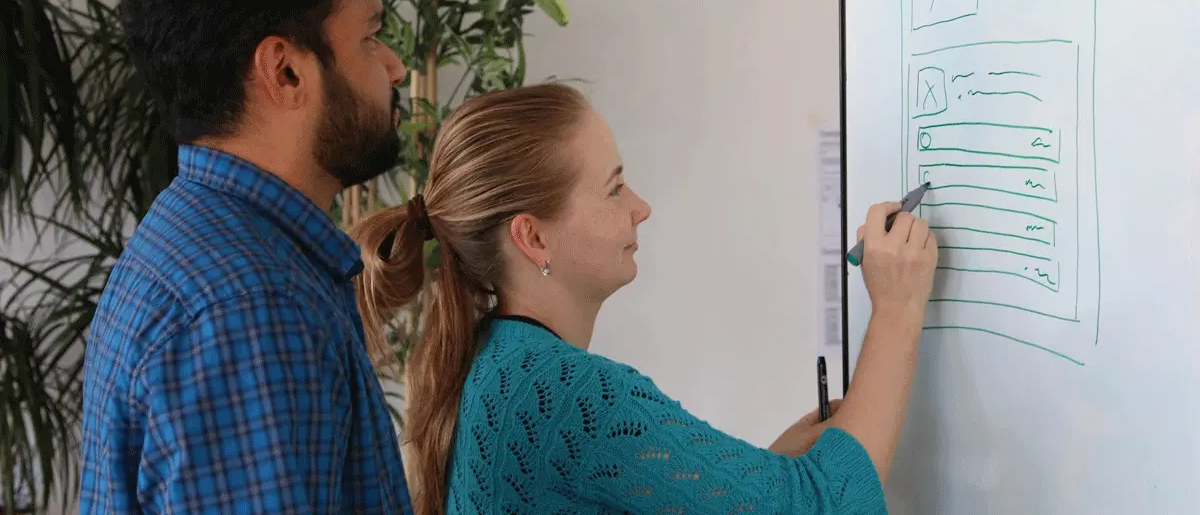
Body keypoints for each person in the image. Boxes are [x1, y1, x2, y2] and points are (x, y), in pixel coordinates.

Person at [350, 81, 939, 514]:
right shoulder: (562, 391)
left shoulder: (500, 363)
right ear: (533, 238)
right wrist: (896, 309)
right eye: (614, 189)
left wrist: (768, 470)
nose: (641, 206)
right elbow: (825, 508)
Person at [78, 0, 414, 513]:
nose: (395, 67)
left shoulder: (193, 239)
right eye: (370, 37)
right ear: (285, 71)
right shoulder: (252, 309)